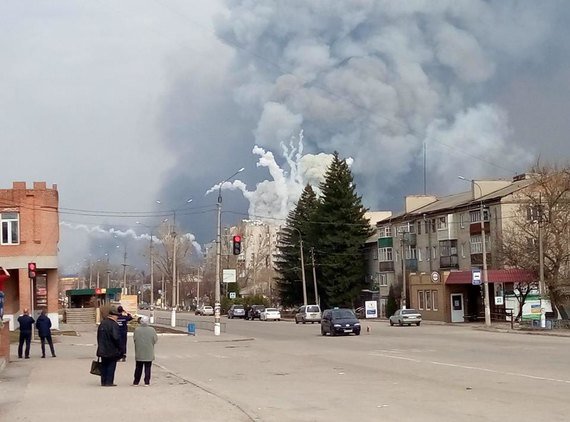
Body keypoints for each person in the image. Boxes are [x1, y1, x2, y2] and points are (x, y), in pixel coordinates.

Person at [96, 306, 122, 387]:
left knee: (104, 365)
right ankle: (109, 382)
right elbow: (116, 338)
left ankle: (103, 381)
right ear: (113, 316)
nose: (117, 317)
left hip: (102, 349)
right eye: (117, 316)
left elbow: (98, 336)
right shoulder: (114, 325)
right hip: (111, 349)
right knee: (111, 365)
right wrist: (120, 348)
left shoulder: (102, 323)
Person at [132, 315, 158, 386]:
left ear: (140, 322)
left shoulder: (137, 330)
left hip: (139, 351)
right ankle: (147, 382)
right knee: (148, 367)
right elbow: (155, 340)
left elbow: (134, 339)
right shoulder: (152, 330)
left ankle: (136, 382)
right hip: (149, 351)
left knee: (138, 367)